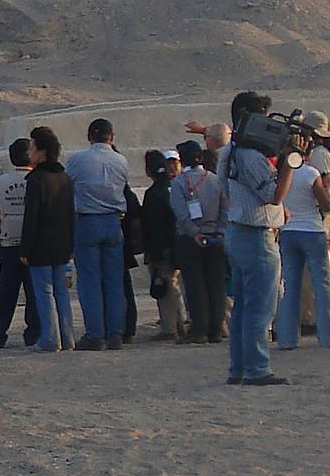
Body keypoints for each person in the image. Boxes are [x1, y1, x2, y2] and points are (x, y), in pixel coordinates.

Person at [219, 91, 293, 386]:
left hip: (238, 231)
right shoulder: (250, 156)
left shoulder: (230, 151)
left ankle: (239, 367)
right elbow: (273, 195)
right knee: (261, 307)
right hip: (256, 234)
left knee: (244, 307)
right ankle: (257, 368)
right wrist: (289, 163)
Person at [64, 118, 130, 349]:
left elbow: (66, 185)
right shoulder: (121, 161)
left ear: (89, 137)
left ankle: (95, 334)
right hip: (113, 221)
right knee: (114, 281)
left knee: (90, 281)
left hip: (87, 220)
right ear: (111, 137)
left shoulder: (78, 160)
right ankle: (115, 333)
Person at [274, 134, 330, 350]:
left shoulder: (281, 174)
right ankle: (327, 336)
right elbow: (326, 204)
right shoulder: (311, 173)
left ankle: (287, 337)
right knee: (322, 285)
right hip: (311, 229)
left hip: (288, 230)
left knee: (291, 286)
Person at [19, 126, 76, 352]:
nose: (29, 152)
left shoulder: (36, 180)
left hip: (41, 245)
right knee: (61, 293)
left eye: (32, 147)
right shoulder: (64, 177)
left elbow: (31, 217)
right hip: (62, 243)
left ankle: (50, 339)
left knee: (44, 293)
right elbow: (71, 214)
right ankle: (67, 337)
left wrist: (25, 249)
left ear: (41, 151)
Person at [169, 140, 228, 342]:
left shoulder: (179, 183)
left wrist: (194, 232)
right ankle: (216, 328)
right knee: (216, 283)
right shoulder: (215, 180)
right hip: (215, 236)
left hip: (189, 238)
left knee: (195, 284)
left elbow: (180, 213)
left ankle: (199, 328)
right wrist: (220, 232)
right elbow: (225, 209)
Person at [0, 138, 40, 349]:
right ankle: (33, 332)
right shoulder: (36, 180)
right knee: (33, 291)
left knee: (6, 291)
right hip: (32, 242)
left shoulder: (1, 181)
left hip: (8, 241)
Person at [139, 151, 186, 340]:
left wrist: (155, 254)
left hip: (162, 248)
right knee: (174, 287)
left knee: (165, 289)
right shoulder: (174, 187)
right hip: (178, 244)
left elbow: (154, 227)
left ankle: (170, 328)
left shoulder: (153, 193)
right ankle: (180, 323)